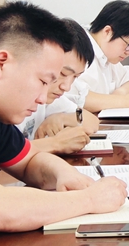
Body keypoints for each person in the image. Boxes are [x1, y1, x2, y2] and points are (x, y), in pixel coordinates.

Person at [0, 1, 127, 232]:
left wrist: (65, 174)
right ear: (1, 63)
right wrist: (90, 200)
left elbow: (29, 162)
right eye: (43, 81)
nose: (43, 97)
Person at [16, 19, 99, 155]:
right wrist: (54, 144)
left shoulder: (47, 96)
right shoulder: (9, 101)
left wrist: (62, 118)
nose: (67, 87)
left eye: (75, 77)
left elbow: (92, 121)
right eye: (63, 73)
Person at [65, 0, 129, 113]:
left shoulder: (108, 55)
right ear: (107, 32)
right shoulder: (78, 49)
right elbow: (77, 98)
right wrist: (126, 101)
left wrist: (115, 98)